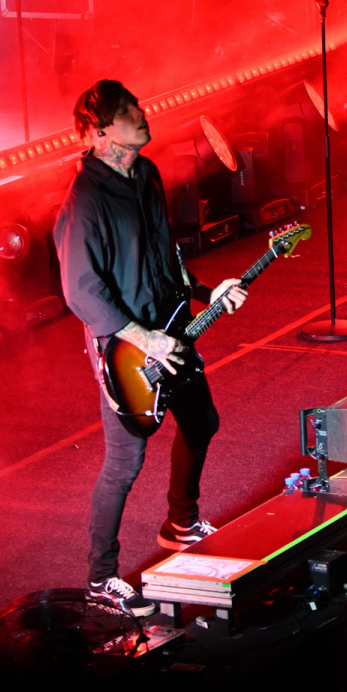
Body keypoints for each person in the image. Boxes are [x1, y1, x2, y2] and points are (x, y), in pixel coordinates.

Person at [54, 79, 249, 615]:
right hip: (127, 347)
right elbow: (81, 290)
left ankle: (180, 521)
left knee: (201, 420)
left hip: (172, 329)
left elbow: (167, 258)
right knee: (124, 462)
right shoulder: (85, 200)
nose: (141, 114)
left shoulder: (147, 174)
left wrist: (207, 292)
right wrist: (144, 339)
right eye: (126, 112)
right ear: (98, 133)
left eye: (136, 105)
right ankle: (100, 579)